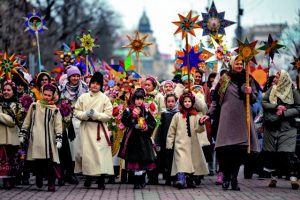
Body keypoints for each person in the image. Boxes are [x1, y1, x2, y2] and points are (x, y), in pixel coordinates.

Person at [201, 56, 259, 191]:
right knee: (225, 151)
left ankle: (234, 178)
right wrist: (208, 114)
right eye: (237, 63)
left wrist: (250, 93)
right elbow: (215, 100)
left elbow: (254, 99)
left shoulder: (248, 78)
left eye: (241, 63)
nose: (239, 66)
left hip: (242, 119)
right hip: (226, 119)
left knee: (239, 152)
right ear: (232, 64)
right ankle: (226, 176)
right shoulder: (224, 79)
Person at [74, 72, 114, 189]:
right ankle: (88, 177)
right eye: (93, 83)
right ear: (90, 84)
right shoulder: (83, 97)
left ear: (101, 85)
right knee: (85, 155)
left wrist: (96, 115)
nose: (95, 86)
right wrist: (85, 114)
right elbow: (76, 111)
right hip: (86, 128)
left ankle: (101, 180)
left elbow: (108, 115)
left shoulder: (105, 98)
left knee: (99, 155)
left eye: (97, 84)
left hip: (99, 130)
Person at [19, 83, 63, 191]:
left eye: (49, 95)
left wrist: (58, 139)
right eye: (45, 94)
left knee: (50, 163)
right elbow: (27, 121)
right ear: (42, 93)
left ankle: (51, 183)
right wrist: (23, 134)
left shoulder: (55, 110)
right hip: (36, 139)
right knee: (36, 162)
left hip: (48, 141)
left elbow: (58, 126)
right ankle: (38, 177)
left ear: (53, 96)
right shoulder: (34, 106)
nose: (47, 97)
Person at [262, 70, 300, 190]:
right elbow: (263, 102)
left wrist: (285, 113)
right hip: (272, 125)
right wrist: (275, 106)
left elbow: (298, 108)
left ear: (284, 79)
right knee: (272, 154)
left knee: (287, 153)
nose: (274, 79)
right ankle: (274, 178)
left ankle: (294, 178)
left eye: (277, 77)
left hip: (287, 127)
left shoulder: (293, 92)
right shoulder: (271, 90)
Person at [167, 92, 209, 189]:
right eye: (185, 101)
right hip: (180, 143)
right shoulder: (177, 115)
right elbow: (172, 130)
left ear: (192, 102)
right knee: (181, 161)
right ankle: (180, 179)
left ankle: (190, 179)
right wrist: (169, 142)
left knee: (191, 163)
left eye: (189, 101)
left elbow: (199, 130)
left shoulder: (195, 115)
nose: (187, 103)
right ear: (182, 102)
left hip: (192, 144)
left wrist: (201, 123)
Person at [119, 88, 157, 189]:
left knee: (144, 160)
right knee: (134, 160)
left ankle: (142, 179)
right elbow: (124, 121)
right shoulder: (128, 109)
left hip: (144, 139)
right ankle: (136, 182)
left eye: (141, 99)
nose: (139, 101)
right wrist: (133, 117)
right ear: (133, 99)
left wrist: (146, 127)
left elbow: (153, 122)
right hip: (132, 138)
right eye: (137, 99)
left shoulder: (146, 111)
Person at [58, 65, 88, 185]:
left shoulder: (84, 88)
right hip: (64, 121)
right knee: (66, 148)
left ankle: (75, 172)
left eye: (77, 76)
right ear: (69, 77)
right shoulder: (62, 88)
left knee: (77, 148)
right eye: (73, 76)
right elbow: (58, 102)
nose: (75, 78)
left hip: (79, 120)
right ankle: (65, 172)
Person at [155, 93, 179, 185]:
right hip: (165, 140)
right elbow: (160, 129)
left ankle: (175, 176)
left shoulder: (178, 114)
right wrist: (157, 142)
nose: (170, 104)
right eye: (168, 102)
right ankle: (168, 177)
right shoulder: (164, 114)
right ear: (165, 102)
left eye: (172, 101)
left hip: (176, 140)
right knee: (166, 159)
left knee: (175, 159)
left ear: (176, 102)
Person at [0, 81, 20, 189]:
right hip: (2, 137)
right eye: (4, 90)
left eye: (9, 90)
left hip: (12, 138)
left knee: (12, 160)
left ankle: (12, 179)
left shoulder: (16, 105)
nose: (6, 92)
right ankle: (5, 180)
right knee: (3, 160)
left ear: (13, 92)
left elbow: (13, 121)